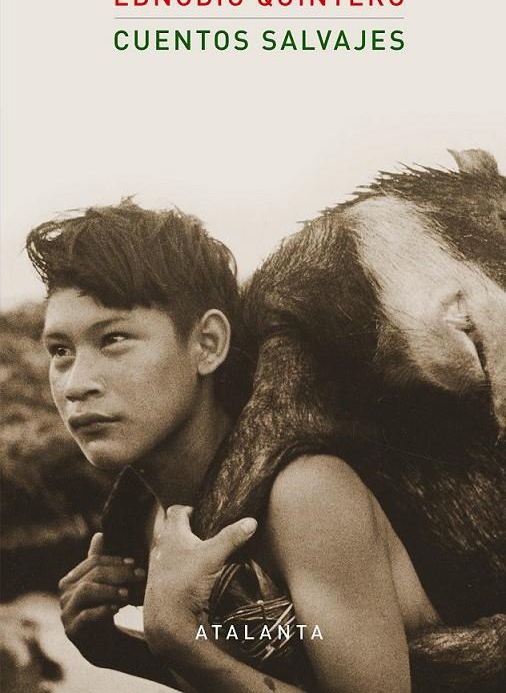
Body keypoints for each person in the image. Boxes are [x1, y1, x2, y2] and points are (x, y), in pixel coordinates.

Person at [27, 200, 439, 693]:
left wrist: (182, 643)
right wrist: (116, 651)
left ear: (207, 344)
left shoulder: (303, 493)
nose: (76, 384)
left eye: (113, 339)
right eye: (60, 351)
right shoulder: (150, 518)